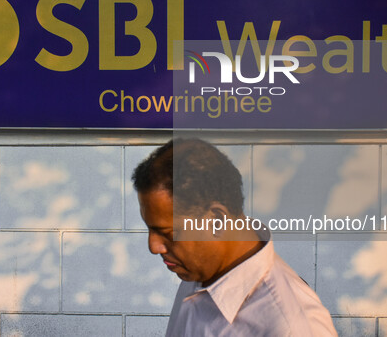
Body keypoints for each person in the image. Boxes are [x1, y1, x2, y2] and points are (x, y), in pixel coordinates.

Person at [132, 138, 337, 336]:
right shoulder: (195, 274)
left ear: (216, 220)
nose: (154, 246)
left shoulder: (294, 327)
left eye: (168, 233)